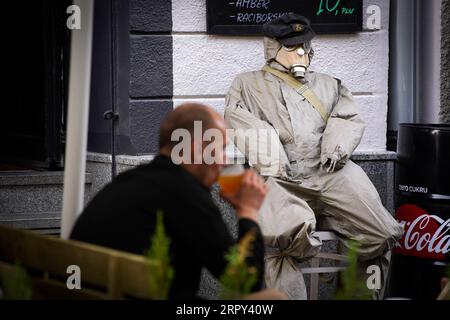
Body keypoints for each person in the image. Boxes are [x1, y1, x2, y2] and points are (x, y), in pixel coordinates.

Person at [224, 13, 404, 299]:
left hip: (331, 171)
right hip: (280, 177)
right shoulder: (247, 84)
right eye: (291, 46)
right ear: (272, 47)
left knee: (379, 232)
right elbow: (241, 122)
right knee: (281, 237)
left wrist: (337, 149)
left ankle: (355, 295)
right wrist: (271, 158)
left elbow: (347, 117)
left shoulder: (329, 84)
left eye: (304, 45)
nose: (301, 52)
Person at [70, 103, 274, 300]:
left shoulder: (130, 180)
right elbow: (245, 280)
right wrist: (248, 210)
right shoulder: (187, 194)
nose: (223, 162)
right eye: (221, 149)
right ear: (196, 150)